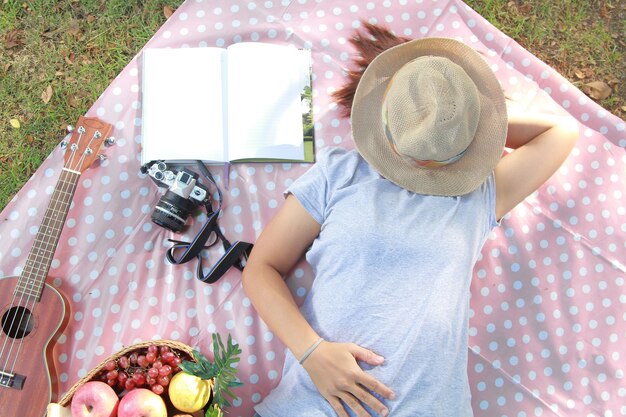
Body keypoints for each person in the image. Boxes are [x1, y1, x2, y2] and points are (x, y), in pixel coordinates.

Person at [241, 22, 579, 417]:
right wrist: (312, 352)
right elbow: (261, 268)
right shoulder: (340, 172)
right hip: (313, 404)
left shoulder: (478, 195)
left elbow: (561, 131)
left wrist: (469, 117)